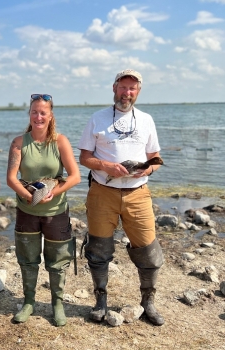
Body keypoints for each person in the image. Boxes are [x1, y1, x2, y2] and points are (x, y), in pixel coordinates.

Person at [78, 69, 165, 326]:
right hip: (102, 192)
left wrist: (148, 168)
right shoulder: (97, 118)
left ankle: (148, 301)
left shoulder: (147, 120)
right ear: (114, 88)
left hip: (138, 193)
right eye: (123, 87)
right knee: (98, 248)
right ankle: (100, 300)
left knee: (148, 249)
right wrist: (106, 166)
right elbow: (84, 158)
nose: (127, 93)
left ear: (138, 92)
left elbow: (156, 158)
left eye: (132, 89)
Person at [6, 94, 81, 327]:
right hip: (27, 211)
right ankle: (29, 302)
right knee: (28, 260)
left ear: (50, 116)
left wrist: (53, 193)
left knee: (58, 261)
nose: (38, 116)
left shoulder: (60, 142)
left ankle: (57, 304)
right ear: (29, 114)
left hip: (56, 212)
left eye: (43, 112)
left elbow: (75, 176)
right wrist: (31, 197)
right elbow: (11, 178)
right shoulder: (19, 143)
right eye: (34, 112)